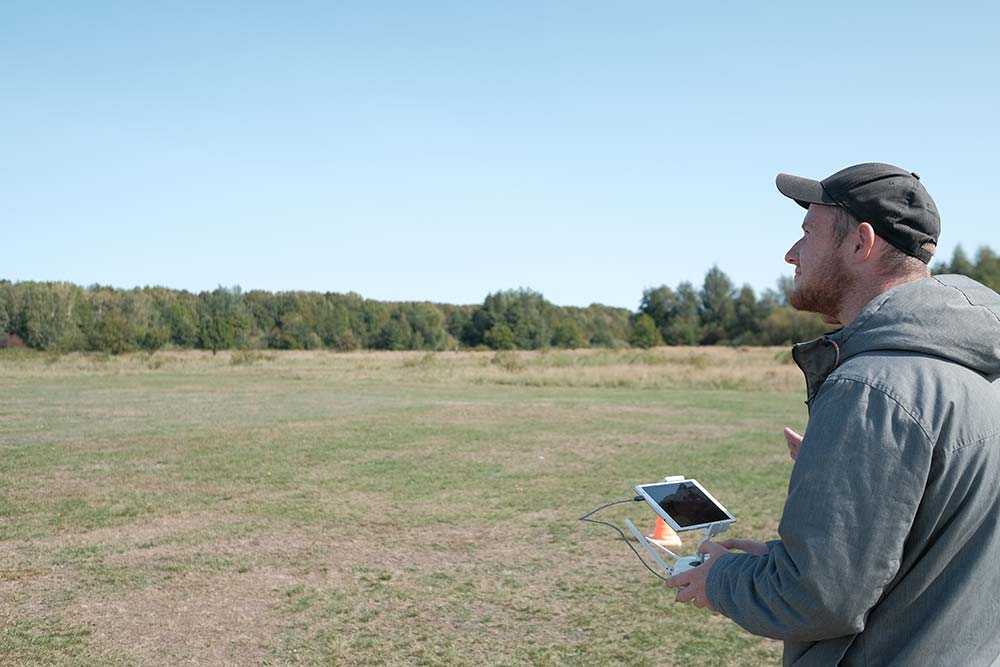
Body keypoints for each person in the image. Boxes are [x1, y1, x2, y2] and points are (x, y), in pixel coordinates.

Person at [665, 163, 1000, 666]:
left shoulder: (871, 388)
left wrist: (721, 578)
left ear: (861, 243)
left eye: (807, 234)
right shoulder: (979, 372)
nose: (791, 253)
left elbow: (817, 597)